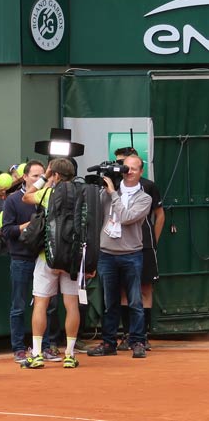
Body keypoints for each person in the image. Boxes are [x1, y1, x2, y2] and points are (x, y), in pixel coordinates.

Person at [87, 154, 152, 359]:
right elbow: (94, 210)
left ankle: (138, 341)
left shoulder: (144, 198)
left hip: (131, 254)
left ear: (141, 172)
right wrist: (103, 187)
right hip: (107, 254)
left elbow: (125, 218)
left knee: (135, 301)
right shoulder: (108, 192)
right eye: (126, 168)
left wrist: (113, 193)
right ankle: (108, 343)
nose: (129, 172)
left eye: (134, 169)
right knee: (110, 302)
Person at [20, 158, 81, 369]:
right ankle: (70, 355)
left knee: (40, 303)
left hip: (48, 257)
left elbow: (26, 196)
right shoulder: (82, 194)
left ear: (55, 174)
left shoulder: (48, 194)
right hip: (72, 259)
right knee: (71, 305)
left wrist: (44, 177)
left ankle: (36, 354)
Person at [2, 160, 62, 363]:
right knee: (18, 306)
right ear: (25, 177)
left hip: (44, 259)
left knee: (45, 305)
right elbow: (7, 231)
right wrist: (29, 225)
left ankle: (44, 346)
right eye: (35, 175)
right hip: (21, 259)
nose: (39, 179)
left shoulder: (49, 197)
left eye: (42, 175)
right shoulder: (12, 201)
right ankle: (19, 348)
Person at [114, 147, 164, 351]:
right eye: (120, 163)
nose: (124, 168)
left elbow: (160, 215)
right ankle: (127, 335)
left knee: (145, 289)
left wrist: (153, 240)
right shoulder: (114, 186)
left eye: (125, 163)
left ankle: (143, 335)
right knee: (124, 290)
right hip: (120, 246)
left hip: (144, 245)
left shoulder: (149, 187)